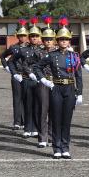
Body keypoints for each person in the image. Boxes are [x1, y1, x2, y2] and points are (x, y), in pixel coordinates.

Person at [35, 19, 83, 159]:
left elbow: (78, 76)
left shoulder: (74, 57)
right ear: (57, 40)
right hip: (56, 88)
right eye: (61, 39)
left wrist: (79, 93)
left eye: (66, 39)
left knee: (66, 120)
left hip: (69, 89)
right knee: (56, 119)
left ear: (69, 41)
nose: (63, 41)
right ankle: (56, 148)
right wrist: (44, 80)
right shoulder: (52, 55)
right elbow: (37, 67)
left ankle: (65, 147)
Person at [10, 17, 43, 139]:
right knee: (27, 104)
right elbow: (11, 61)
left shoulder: (43, 50)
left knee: (38, 105)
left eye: (36, 36)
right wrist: (14, 73)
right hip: (27, 81)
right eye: (32, 36)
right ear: (29, 37)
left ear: (39, 37)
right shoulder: (23, 50)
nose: (34, 38)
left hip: (39, 81)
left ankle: (35, 128)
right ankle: (27, 128)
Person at [1, 19, 30, 131]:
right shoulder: (13, 47)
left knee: (27, 99)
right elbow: (2, 56)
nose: (22, 37)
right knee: (17, 99)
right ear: (17, 36)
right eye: (20, 35)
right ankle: (17, 122)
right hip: (17, 75)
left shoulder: (30, 47)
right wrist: (7, 68)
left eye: (24, 35)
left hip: (28, 76)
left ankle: (26, 121)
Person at [34, 18, 56, 148]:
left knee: (54, 110)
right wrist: (37, 76)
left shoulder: (58, 52)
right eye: (46, 39)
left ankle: (52, 135)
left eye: (50, 39)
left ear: (53, 40)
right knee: (43, 109)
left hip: (56, 82)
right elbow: (27, 64)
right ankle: (42, 137)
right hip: (43, 81)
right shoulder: (38, 52)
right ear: (43, 40)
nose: (48, 41)